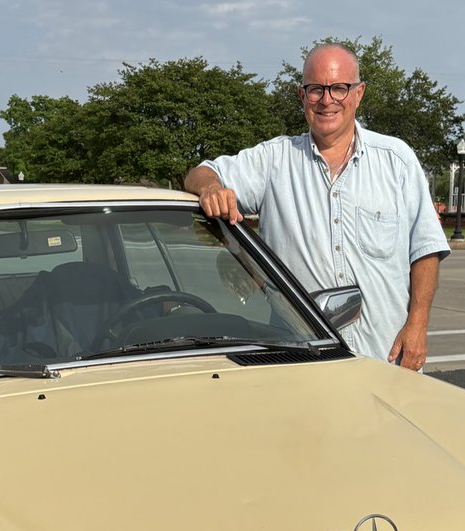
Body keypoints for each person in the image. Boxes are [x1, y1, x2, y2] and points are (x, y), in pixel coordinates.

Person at [183, 43, 449, 370]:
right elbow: (201, 173)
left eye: (339, 88)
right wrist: (211, 187)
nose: (327, 100)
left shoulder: (397, 161)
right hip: (303, 366)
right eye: (315, 90)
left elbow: (425, 250)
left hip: (387, 361)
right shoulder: (273, 161)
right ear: (301, 95)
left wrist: (417, 327)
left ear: (358, 93)